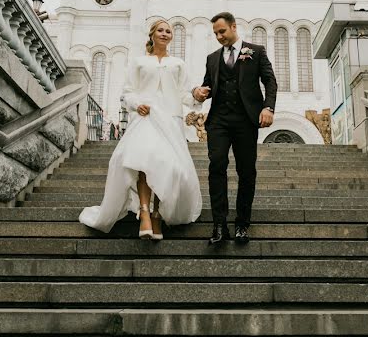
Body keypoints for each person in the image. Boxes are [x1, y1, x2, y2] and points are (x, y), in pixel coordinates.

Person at [79, 20, 202, 239]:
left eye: (168, 31)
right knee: (144, 162)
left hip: (171, 121)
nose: (165, 34)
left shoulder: (178, 63)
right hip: (146, 118)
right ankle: (145, 212)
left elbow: (184, 93)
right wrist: (137, 104)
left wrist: (196, 96)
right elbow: (127, 92)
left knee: (168, 167)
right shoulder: (139, 62)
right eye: (161, 30)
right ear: (152, 34)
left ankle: (157, 213)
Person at [193, 12, 277, 245]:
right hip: (219, 120)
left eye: (222, 31)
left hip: (246, 120)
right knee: (216, 165)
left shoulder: (256, 51)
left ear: (233, 27)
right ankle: (219, 225)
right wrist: (199, 92)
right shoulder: (212, 58)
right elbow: (208, 85)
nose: (219, 36)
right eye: (215, 33)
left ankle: (242, 223)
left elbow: (269, 81)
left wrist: (268, 107)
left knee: (246, 171)